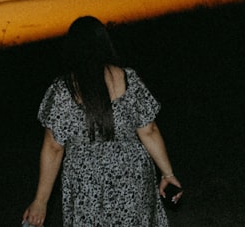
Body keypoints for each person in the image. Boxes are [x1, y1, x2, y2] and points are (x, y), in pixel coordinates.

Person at [22, 16, 183, 226]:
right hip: (131, 175)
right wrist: (167, 174)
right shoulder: (128, 78)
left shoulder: (62, 90)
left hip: (84, 184)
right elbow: (149, 130)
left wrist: (41, 201)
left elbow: (53, 147)